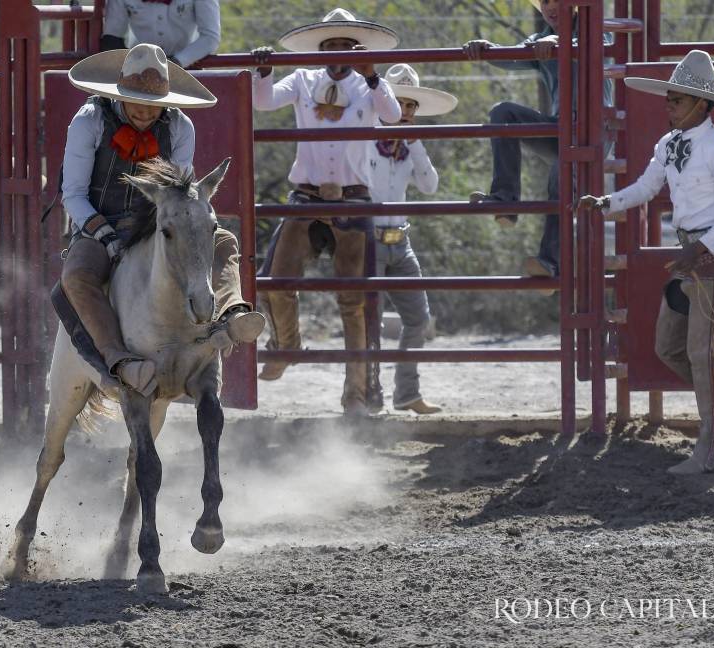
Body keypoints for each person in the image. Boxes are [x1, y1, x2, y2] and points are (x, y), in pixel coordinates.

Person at [59, 43, 265, 396]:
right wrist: (106, 238)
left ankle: (232, 313)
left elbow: (181, 197)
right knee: (76, 275)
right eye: (137, 101)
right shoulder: (89, 120)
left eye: (154, 105)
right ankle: (116, 360)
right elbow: (73, 194)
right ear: (119, 93)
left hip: (158, 225)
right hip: (97, 223)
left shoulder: (180, 126)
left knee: (225, 242)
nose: (145, 111)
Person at [579, 50, 714, 474]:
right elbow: (647, 186)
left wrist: (702, 247)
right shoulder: (669, 145)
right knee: (670, 345)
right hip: (695, 256)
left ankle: (712, 450)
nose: (668, 105)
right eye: (668, 98)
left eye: (677, 100)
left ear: (702, 105)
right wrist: (607, 202)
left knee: (700, 352)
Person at [250, 8, 401, 417]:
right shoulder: (302, 79)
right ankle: (286, 345)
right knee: (275, 280)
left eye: (346, 45)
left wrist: (373, 75)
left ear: (357, 50)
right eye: (331, 45)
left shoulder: (370, 85)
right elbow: (263, 103)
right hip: (308, 194)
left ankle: (355, 394)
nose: (339, 52)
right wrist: (263, 70)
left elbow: (392, 115)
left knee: (351, 299)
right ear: (321, 50)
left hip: (352, 196)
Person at [462, 0, 613, 280]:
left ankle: (550, 263)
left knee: (562, 169)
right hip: (560, 127)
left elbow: (595, 50)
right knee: (502, 112)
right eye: (545, 1)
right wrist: (486, 48)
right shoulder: (541, 39)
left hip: (592, 130)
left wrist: (562, 42)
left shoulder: (596, 29)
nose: (551, 7)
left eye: (558, 0)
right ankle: (504, 200)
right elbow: (513, 57)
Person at [368, 63, 458, 415]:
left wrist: (415, 140)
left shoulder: (408, 148)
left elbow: (429, 185)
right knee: (369, 323)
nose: (405, 111)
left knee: (418, 319)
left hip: (399, 242)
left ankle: (406, 393)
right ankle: (369, 394)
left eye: (411, 106)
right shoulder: (366, 140)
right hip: (370, 240)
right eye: (400, 102)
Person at [100, 0, 221, 69]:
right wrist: (130, 67)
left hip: (188, 69)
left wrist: (177, 62)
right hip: (140, 70)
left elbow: (210, 37)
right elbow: (112, 38)